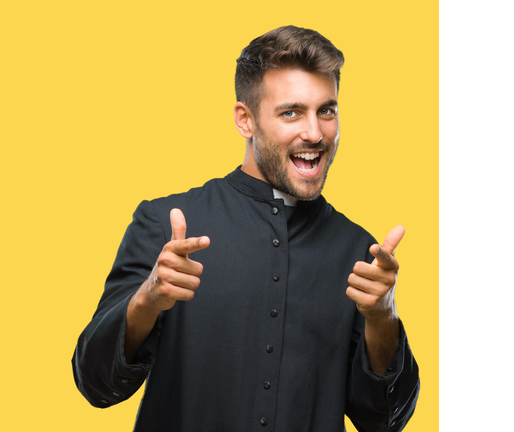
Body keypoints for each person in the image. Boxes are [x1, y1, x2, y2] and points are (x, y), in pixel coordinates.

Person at [72, 25, 419, 431]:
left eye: (326, 110)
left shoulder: (359, 252)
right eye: (291, 112)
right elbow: (96, 385)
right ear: (245, 121)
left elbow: (384, 421)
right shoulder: (165, 225)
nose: (315, 132)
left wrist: (383, 318)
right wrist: (146, 301)